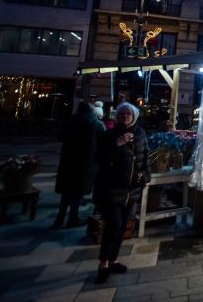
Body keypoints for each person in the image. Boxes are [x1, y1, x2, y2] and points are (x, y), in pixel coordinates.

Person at [93, 102, 149, 284]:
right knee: (113, 225)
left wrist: (145, 176)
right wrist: (117, 144)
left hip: (131, 191)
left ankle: (113, 260)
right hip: (112, 188)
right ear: (117, 116)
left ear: (134, 116)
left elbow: (145, 160)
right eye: (122, 113)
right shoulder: (109, 135)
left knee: (122, 225)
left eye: (128, 114)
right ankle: (103, 263)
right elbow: (99, 158)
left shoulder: (140, 135)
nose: (125, 116)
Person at [53, 102, 105, 229]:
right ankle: (73, 218)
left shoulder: (69, 122)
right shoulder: (96, 124)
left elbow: (60, 137)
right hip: (86, 162)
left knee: (66, 192)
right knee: (77, 192)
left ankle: (60, 219)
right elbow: (104, 140)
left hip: (68, 161)